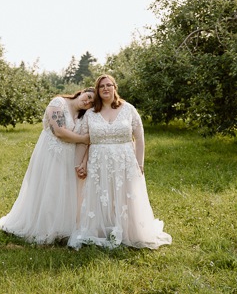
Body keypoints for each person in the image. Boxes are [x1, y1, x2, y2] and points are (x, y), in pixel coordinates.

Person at [69, 74, 172, 250]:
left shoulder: (128, 109)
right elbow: (84, 141)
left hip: (125, 161)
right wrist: (80, 164)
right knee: (102, 195)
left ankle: (128, 230)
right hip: (98, 162)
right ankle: (101, 229)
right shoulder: (91, 115)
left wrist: (140, 164)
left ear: (115, 88)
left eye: (109, 85)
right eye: (101, 86)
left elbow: (139, 138)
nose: (105, 88)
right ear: (97, 91)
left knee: (125, 195)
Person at [0, 88, 94, 244]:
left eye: (91, 103)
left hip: (68, 157)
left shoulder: (83, 116)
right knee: (48, 188)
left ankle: (61, 227)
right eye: (88, 97)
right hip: (50, 155)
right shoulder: (58, 103)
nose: (87, 102)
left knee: (63, 190)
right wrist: (83, 139)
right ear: (81, 92)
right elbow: (59, 131)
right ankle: (42, 226)